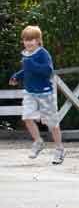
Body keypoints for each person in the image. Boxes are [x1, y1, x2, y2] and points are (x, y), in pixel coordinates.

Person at [9, 26, 65, 165]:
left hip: (45, 93)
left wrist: (31, 64)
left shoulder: (43, 54)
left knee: (52, 123)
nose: (29, 43)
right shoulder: (26, 54)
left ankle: (59, 149)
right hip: (30, 93)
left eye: (32, 40)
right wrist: (17, 76)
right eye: (26, 40)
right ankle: (38, 142)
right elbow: (27, 70)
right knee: (27, 117)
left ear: (38, 40)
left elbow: (47, 71)